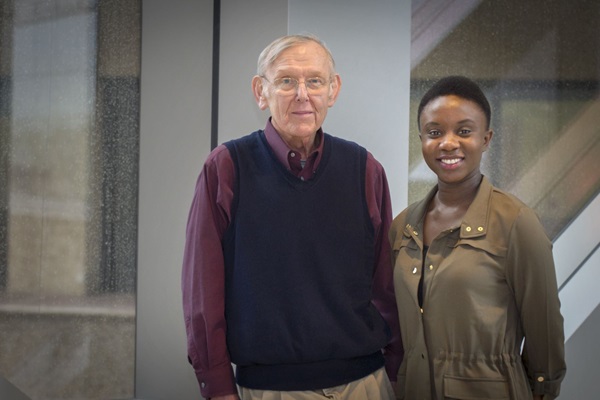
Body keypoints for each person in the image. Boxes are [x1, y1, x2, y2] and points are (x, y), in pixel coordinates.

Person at [182, 34, 402, 400]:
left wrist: (396, 370)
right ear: (260, 91)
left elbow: (386, 286)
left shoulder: (365, 169)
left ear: (333, 90)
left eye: (314, 81)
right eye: (286, 81)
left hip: (365, 384)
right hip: (270, 389)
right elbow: (202, 293)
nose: (303, 94)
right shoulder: (226, 168)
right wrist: (218, 387)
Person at [389, 76, 566, 399]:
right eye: (435, 132)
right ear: (421, 140)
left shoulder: (516, 223)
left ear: (486, 139)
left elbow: (545, 329)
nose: (448, 143)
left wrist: (543, 388)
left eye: (464, 131)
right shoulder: (403, 226)